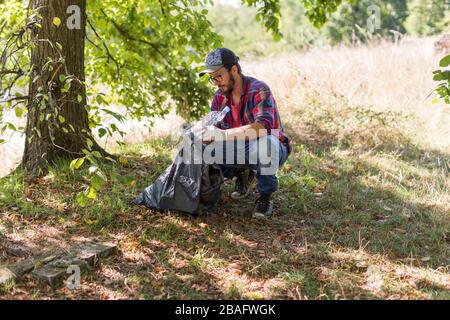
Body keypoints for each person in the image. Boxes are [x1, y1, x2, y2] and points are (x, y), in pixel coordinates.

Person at [198, 48, 292, 219]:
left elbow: (262, 127)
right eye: (212, 78)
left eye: (219, 75)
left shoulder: (259, 89)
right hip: (241, 147)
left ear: (234, 70)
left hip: (271, 145)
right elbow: (214, 129)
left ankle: (265, 197)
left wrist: (222, 135)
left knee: (265, 146)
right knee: (204, 149)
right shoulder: (219, 97)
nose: (217, 82)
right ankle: (242, 173)